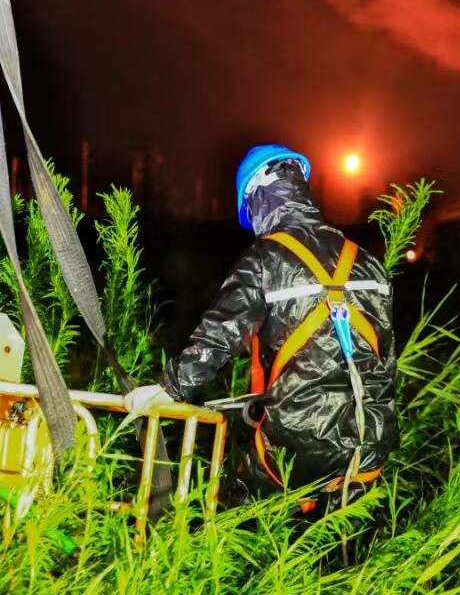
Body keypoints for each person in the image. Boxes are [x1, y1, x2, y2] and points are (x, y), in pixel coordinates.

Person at [125, 144, 397, 513]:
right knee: (335, 552)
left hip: (296, 452)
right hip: (370, 446)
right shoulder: (368, 263)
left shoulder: (264, 261)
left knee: (239, 521)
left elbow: (220, 335)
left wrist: (168, 388)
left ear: (257, 197)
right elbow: (383, 361)